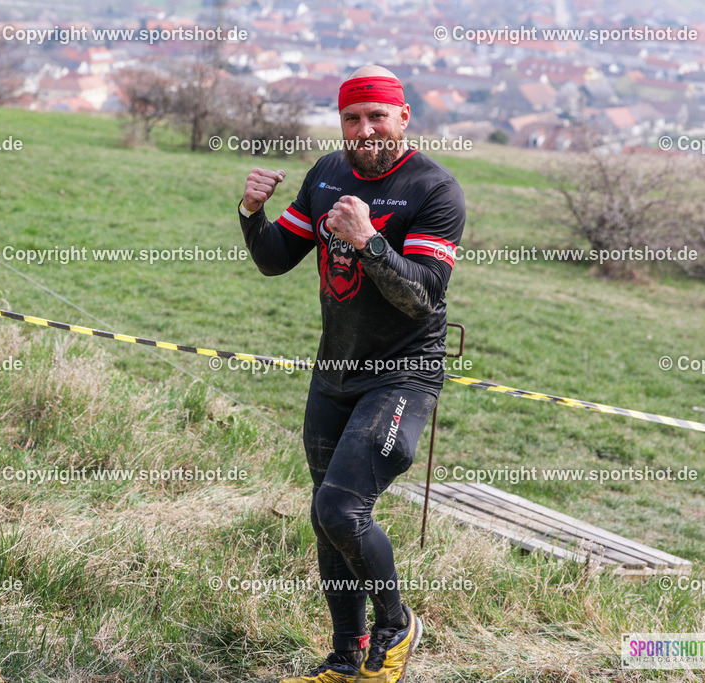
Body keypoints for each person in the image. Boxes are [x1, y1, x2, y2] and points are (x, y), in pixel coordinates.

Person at [237, 65, 465, 683]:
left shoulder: (434, 190)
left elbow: (422, 298)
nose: (364, 130)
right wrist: (251, 211)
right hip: (333, 375)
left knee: (342, 510)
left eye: (376, 117)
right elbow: (276, 260)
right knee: (326, 519)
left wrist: (368, 240)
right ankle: (345, 658)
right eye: (351, 119)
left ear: (403, 116)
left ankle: (397, 625)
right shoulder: (328, 174)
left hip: (402, 378)